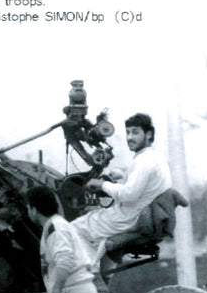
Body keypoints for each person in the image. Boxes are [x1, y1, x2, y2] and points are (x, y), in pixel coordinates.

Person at [71, 113, 171, 270]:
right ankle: (101, 275)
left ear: (148, 134)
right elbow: (146, 187)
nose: (130, 137)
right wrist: (123, 177)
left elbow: (129, 194)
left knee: (74, 228)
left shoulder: (144, 161)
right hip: (139, 214)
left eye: (135, 132)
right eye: (128, 132)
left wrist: (102, 185)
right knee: (93, 227)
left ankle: (90, 275)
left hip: (129, 218)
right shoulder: (155, 157)